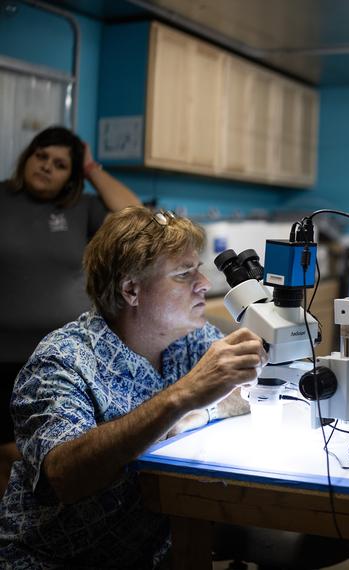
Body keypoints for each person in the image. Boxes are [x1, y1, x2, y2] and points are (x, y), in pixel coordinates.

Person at [0, 206, 265, 567]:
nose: (203, 283)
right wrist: (182, 397)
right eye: (184, 274)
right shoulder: (62, 360)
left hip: (152, 550)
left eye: (198, 269)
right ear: (131, 290)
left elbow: (239, 394)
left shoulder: (189, 337)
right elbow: (66, 476)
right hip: (60, 558)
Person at [0, 126, 142, 493]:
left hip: (62, 356)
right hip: (4, 355)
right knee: (7, 454)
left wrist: (91, 167)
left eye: (60, 164)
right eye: (41, 156)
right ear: (27, 157)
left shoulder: (82, 209)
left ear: (71, 176)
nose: (47, 166)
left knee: (55, 455)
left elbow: (135, 212)